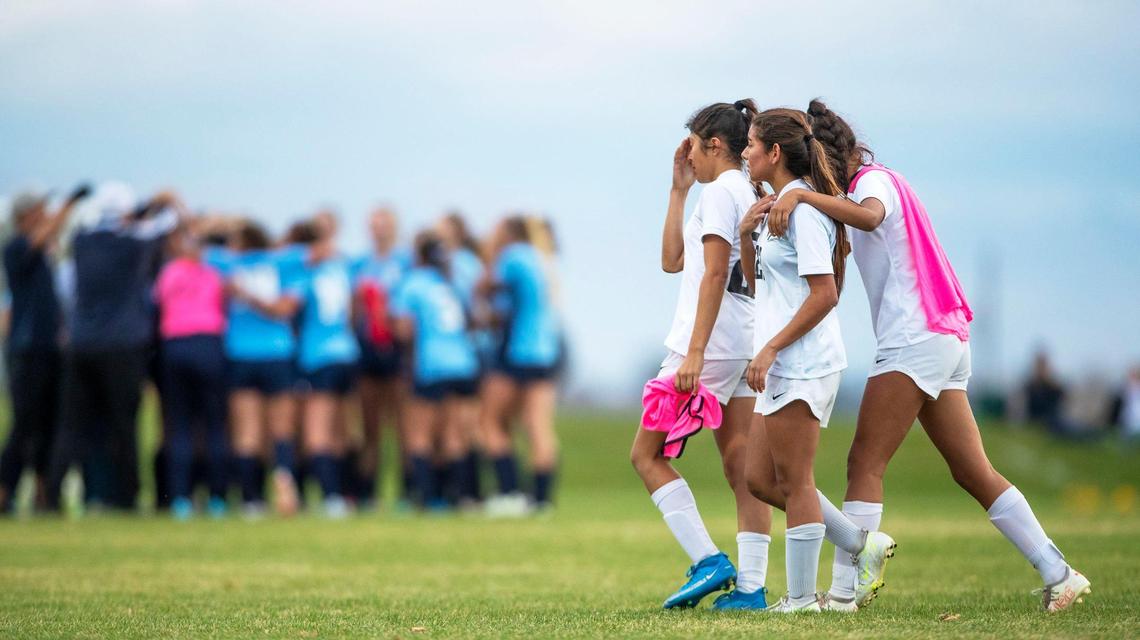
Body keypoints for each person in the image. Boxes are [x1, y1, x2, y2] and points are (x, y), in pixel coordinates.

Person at [766, 99, 1089, 612]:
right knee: (971, 470)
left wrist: (805, 197)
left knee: (864, 463)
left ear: (830, 158)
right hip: (944, 338)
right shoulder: (879, 181)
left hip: (914, 340)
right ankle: (1060, 572)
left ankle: (847, 595)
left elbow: (870, 219)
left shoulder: (871, 183)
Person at [628, 100, 776, 610]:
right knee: (741, 467)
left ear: (714, 145)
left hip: (708, 346)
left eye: (691, 143)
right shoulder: (741, 190)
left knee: (646, 455)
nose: (686, 153)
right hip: (742, 343)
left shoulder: (721, 192)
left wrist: (693, 353)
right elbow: (673, 261)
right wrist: (677, 189)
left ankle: (708, 559)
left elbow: (714, 273)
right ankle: (752, 590)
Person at [45, 183, 179, 512]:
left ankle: (50, 496)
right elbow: (167, 222)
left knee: (71, 425)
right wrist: (160, 201)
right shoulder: (133, 243)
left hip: (81, 345)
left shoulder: (82, 241)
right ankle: (128, 496)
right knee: (124, 424)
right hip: (123, 346)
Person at [0, 185, 89, 514]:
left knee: (51, 423)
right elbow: (44, 235)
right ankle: (4, 488)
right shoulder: (15, 248)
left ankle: (44, 494)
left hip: (51, 349)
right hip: (27, 349)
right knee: (25, 423)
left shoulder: (46, 254)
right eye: (40, 210)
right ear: (26, 216)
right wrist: (68, 204)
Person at [207, 220, 303, 518]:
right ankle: (284, 478)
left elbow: (196, 241)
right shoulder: (284, 263)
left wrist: (244, 295)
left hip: (240, 353)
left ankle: (252, 499)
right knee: (281, 428)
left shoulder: (226, 264)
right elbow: (287, 308)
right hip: (278, 351)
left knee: (247, 431)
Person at [391, 230, 482, 509]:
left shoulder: (413, 282)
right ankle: (458, 497)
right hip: (464, 363)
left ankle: (429, 498)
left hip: (432, 364)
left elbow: (404, 329)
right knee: (455, 436)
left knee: (420, 436)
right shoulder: (452, 282)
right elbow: (474, 320)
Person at [480, 215, 563, 516]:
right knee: (538, 427)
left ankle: (510, 492)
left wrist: (488, 254)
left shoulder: (512, 256)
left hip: (519, 349)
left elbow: (486, 288)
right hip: (546, 350)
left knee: (490, 422)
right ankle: (541, 500)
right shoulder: (542, 259)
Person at [153, 221, 228, 519]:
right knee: (214, 426)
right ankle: (217, 497)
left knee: (180, 426)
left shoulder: (169, 274)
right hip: (209, 346)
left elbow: (156, 306)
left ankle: (181, 497)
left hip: (176, 347)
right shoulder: (213, 274)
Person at [290, 220, 360, 517]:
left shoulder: (307, 274)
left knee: (317, 434)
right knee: (341, 433)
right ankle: (347, 495)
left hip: (318, 356)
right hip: (347, 353)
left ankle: (332, 498)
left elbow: (287, 307)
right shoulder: (342, 270)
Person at [351, 207, 411, 510]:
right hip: (367, 351)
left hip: (398, 354)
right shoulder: (359, 264)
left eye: (385, 223)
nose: (380, 229)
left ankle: (405, 493)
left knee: (404, 427)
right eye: (375, 224)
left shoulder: (406, 262)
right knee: (369, 428)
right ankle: (367, 494)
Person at [436, 211, 488, 505]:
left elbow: (474, 307)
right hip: (462, 355)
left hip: (468, 353)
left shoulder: (461, 265)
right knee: (457, 427)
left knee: (464, 426)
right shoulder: (461, 264)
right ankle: (463, 492)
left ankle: (466, 491)